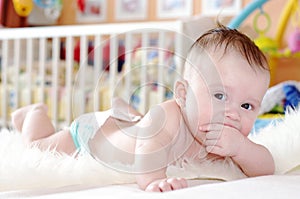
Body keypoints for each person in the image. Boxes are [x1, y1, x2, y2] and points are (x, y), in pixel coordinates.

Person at [11, 23, 275, 192]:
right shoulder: (170, 116)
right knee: (41, 147)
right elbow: (147, 150)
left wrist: (242, 149)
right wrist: (153, 181)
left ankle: (128, 116)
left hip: (130, 125)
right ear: (183, 95)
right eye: (219, 95)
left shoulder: (230, 135)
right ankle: (34, 114)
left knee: (138, 124)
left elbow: (265, 168)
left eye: (247, 105)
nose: (233, 113)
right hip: (94, 136)